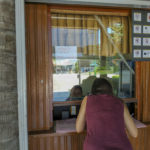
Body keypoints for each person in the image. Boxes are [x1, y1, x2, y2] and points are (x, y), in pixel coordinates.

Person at [76, 78, 138, 150]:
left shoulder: (87, 100)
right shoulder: (120, 102)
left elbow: (78, 129)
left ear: (93, 90)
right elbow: (134, 133)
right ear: (111, 90)